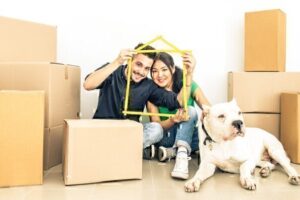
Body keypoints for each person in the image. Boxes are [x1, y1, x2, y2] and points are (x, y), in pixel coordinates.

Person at [83, 43, 195, 160]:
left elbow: (178, 102)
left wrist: (189, 74)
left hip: (129, 135)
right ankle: (127, 151)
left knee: (156, 130)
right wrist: (117, 62)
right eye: (138, 64)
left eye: (147, 68)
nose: (141, 72)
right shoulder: (112, 69)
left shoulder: (148, 86)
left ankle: (112, 150)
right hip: (103, 131)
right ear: (129, 60)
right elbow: (87, 85)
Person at [147, 52, 210, 179]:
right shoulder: (151, 93)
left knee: (201, 128)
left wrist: (206, 115)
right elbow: (156, 124)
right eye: (154, 71)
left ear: (173, 69)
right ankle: (181, 156)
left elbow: (209, 108)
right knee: (191, 110)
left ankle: (175, 152)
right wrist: (173, 120)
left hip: (188, 134)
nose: (159, 75)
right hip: (167, 136)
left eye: (164, 69)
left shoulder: (188, 84)